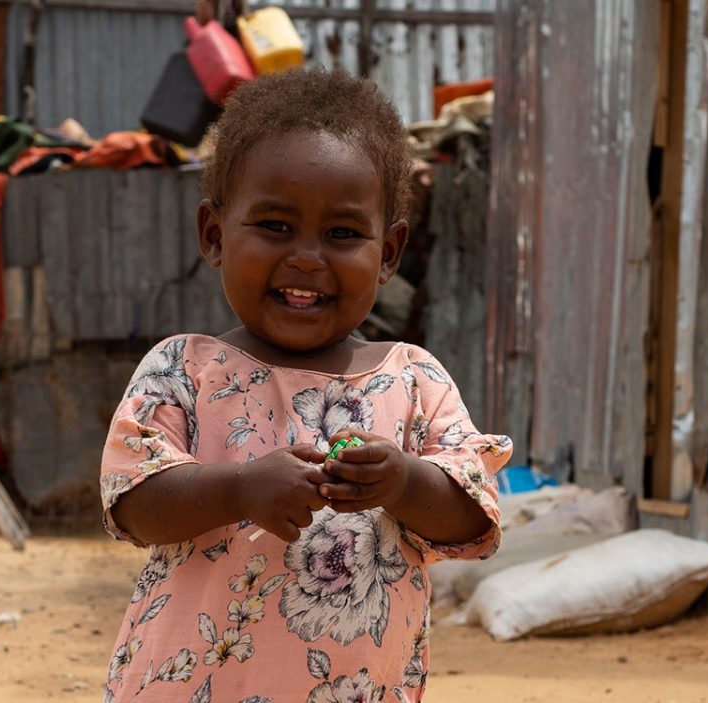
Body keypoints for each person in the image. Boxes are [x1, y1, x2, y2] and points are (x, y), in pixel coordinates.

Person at [98, 68, 512, 702]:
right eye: (275, 226)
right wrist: (240, 486)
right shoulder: (183, 369)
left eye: (343, 234)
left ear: (390, 252)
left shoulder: (414, 379)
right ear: (214, 235)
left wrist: (403, 480)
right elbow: (134, 503)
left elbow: (469, 517)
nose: (307, 257)